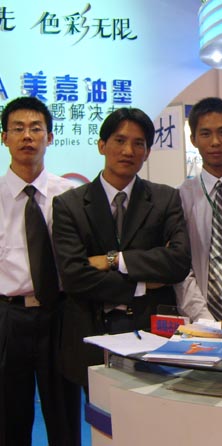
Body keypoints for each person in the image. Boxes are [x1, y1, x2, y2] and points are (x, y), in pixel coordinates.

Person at [52, 107, 191, 393]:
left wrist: (113, 260)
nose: (128, 150)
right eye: (119, 140)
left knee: (155, 412)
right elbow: (74, 276)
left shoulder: (165, 198)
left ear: (147, 152)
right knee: (103, 415)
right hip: (92, 329)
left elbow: (178, 262)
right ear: (102, 145)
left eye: (139, 143)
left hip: (152, 332)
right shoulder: (69, 205)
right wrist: (142, 283)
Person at [0, 97, 77, 445]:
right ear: (4, 138)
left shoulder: (70, 196)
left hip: (59, 314)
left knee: (64, 417)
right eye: (18, 129)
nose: (27, 136)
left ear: (50, 137)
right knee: (8, 419)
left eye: (36, 128)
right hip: (7, 318)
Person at [177, 97, 222, 324]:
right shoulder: (181, 196)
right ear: (193, 139)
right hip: (199, 317)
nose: (215, 142)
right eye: (205, 134)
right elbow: (181, 267)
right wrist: (205, 319)